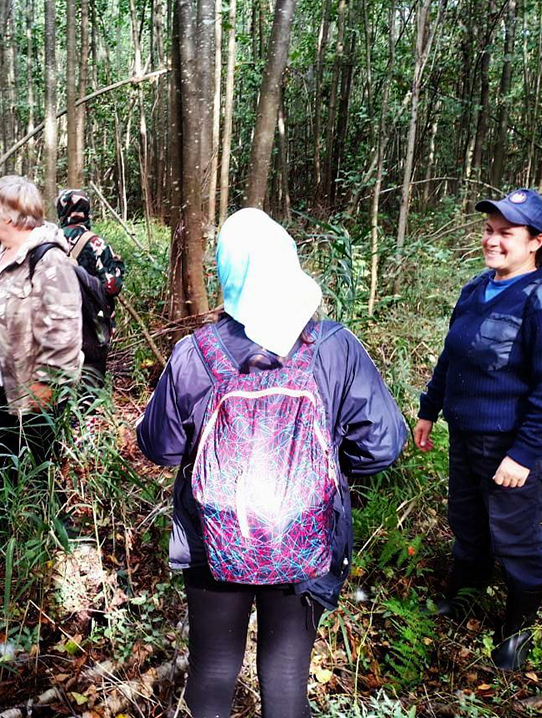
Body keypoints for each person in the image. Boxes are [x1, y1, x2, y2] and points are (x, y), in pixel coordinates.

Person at [137, 208, 407, 718]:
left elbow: (160, 447)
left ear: (226, 273)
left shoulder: (196, 354)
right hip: (305, 535)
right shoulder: (334, 347)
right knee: (286, 677)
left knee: (213, 669)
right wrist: (324, 468)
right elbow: (383, 444)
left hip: (213, 539)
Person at [414, 188, 542, 671]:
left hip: (515, 441)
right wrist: (430, 410)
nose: (492, 240)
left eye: (506, 233)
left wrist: (524, 455)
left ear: (536, 241)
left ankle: (518, 625)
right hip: (468, 434)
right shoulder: (475, 289)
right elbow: (452, 357)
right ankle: (464, 596)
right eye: (489, 231)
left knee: (513, 530)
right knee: (467, 520)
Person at [0, 176, 82, 497]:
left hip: (34, 389)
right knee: (2, 455)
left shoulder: (48, 259)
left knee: (42, 463)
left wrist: (46, 387)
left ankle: (48, 525)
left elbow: (66, 332)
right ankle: (0, 524)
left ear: (8, 217)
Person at [55, 188, 125, 387]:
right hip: (93, 323)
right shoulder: (97, 243)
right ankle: (88, 412)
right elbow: (113, 287)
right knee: (91, 380)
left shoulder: (51, 241)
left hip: (58, 321)